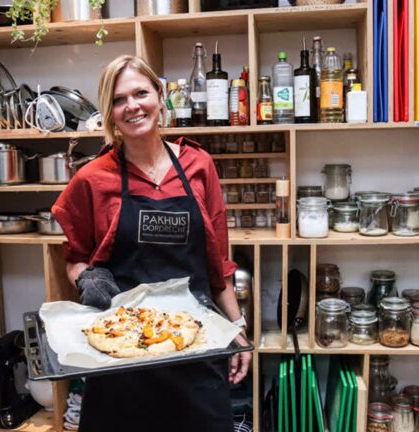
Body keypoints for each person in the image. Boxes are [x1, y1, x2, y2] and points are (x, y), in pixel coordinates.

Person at [51, 55, 251, 432]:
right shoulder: (92, 179)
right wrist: (85, 279)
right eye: (118, 99)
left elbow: (217, 261)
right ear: (110, 113)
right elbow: (75, 259)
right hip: (121, 351)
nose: (132, 106)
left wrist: (237, 328)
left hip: (196, 342)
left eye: (141, 93)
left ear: (160, 98)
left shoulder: (198, 164)